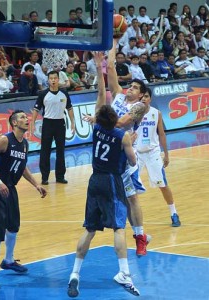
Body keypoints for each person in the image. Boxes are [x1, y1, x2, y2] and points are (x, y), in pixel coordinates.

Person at [83, 47, 150, 257]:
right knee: (112, 194)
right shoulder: (119, 96)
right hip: (109, 153)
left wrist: (98, 119)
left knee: (132, 198)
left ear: (141, 94)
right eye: (130, 86)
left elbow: (120, 123)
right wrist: (111, 43)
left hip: (124, 156)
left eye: (135, 87)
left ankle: (140, 237)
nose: (130, 89)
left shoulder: (140, 107)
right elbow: (110, 68)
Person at [67, 105, 139, 298]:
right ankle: (124, 272)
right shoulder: (122, 135)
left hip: (94, 180)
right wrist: (131, 144)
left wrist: (93, 119)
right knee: (119, 228)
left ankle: (74, 273)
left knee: (90, 229)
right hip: (111, 182)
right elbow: (133, 162)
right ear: (115, 118)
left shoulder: (97, 129)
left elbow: (97, 120)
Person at [0, 110, 47, 289]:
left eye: (27, 117)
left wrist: (36, 184)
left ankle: (8, 260)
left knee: (13, 227)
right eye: (23, 118)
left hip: (9, 189)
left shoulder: (24, 143)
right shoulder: (4, 140)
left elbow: (22, 167)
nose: (27, 119)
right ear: (14, 123)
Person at [136, 88, 181, 227]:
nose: (144, 99)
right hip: (136, 153)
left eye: (147, 96)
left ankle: (174, 213)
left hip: (152, 152)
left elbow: (161, 134)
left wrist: (166, 154)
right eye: (142, 97)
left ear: (150, 99)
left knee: (162, 184)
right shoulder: (132, 113)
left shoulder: (157, 113)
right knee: (129, 186)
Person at [31, 71, 75, 185]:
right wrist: (32, 124)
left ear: (58, 79)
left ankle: (60, 176)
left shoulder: (64, 93)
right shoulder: (43, 94)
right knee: (45, 151)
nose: (53, 80)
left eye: (55, 78)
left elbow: (69, 109)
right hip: (47, 124)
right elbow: (36, 110)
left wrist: (73, 123)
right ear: (48, 80)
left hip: (60, 124)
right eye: (51, 78)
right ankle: (44, 177)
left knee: (61, 151)